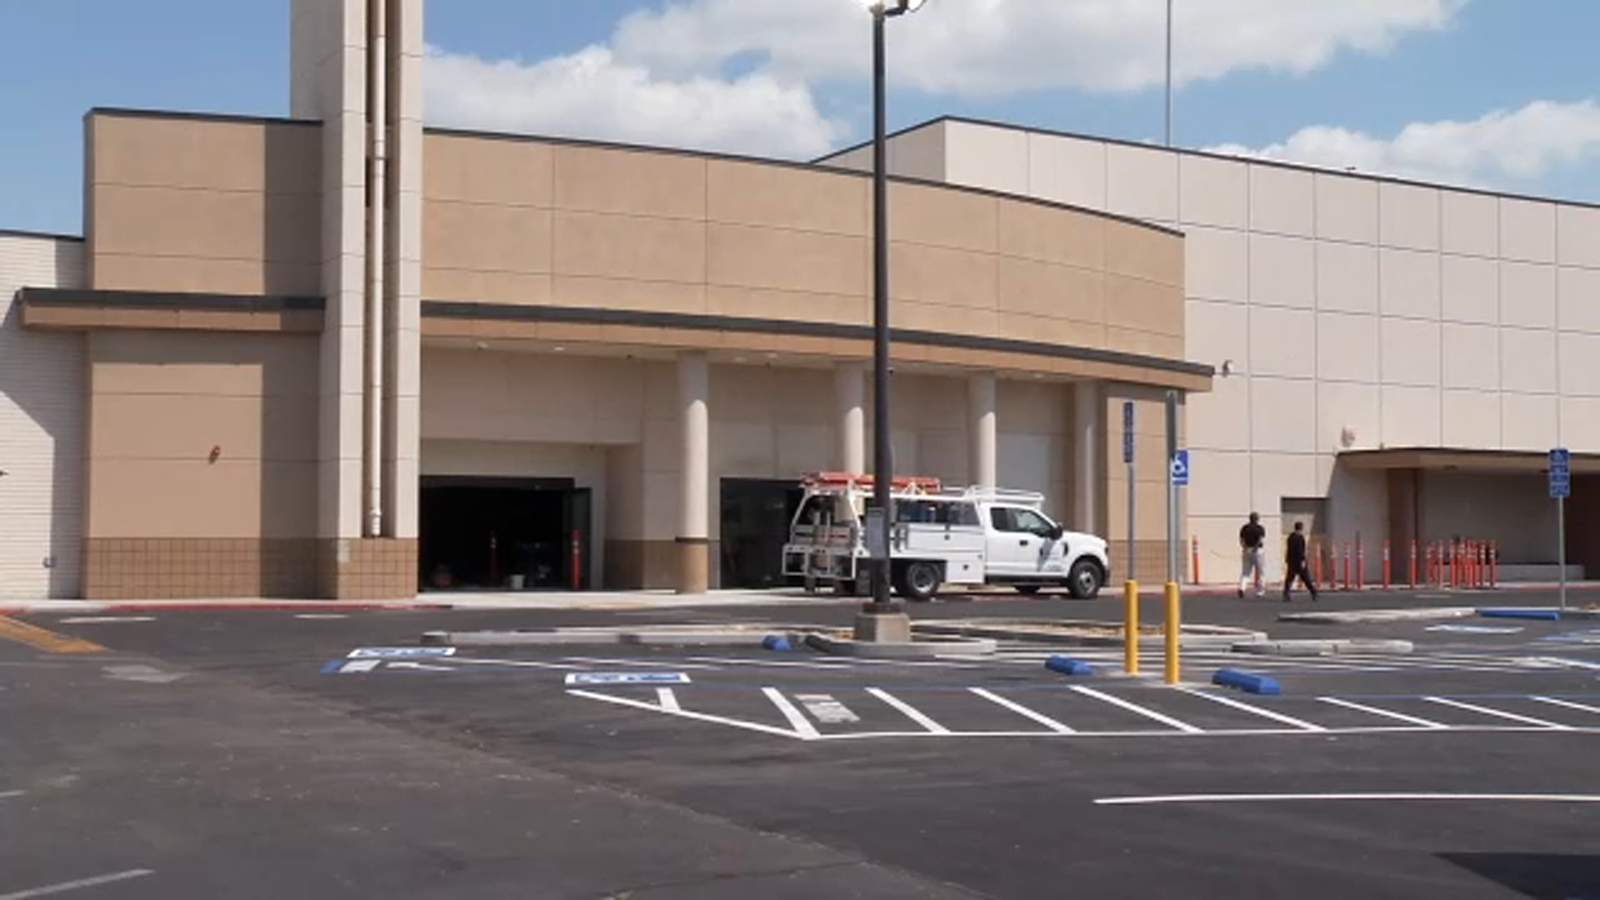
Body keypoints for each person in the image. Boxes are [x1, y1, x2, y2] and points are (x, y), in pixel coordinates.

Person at [1283, 521, 1318, 603]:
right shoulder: (1300, 538)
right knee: (1306, 578)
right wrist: (1303, 560)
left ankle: (1286, 594)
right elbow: (1301, 551)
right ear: (1301, 528)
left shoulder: (1290, 537)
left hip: (1291, 561)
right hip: (1298, 561)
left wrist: (1287, 559)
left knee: (1289, 578)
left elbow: (1289, 549)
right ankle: (1313, 592)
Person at [1238, 512, 1266, 598]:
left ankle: (1242, 588)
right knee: (1261, 572)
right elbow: (1260, 540)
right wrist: (1255, 547)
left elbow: (1241, 540)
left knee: (1245, 572)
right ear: (1257, 519)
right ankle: (1260, 591)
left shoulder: (1244, 528)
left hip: (1247, 550)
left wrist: (1244, 547)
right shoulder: (1260, 528)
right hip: (1257, 551)